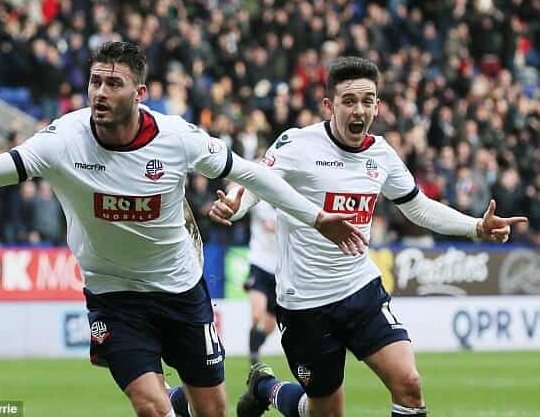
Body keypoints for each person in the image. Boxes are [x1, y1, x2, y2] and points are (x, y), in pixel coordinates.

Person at [0, 41, 369, 417]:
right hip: (113, 294)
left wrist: (316, 216)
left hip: (179, 287)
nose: (99, 92)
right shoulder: (61, 141)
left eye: (113, 84)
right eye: (95, 81)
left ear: (140, 93)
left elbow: (251, 173)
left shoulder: (177, 138)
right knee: (152, 408)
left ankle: (240, 392)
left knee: (209, 410)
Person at [208, 56, 528, 417]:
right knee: (324, 412)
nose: (358, 110)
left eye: (367, 100)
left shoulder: (382, 155)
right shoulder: (298, 145)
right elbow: (257, 181)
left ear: (377, 105)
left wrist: (476, 227)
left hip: (361, 290)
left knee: (409, 384)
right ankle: (267, 389)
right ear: (329, 105)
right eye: (348, 101)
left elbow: (418, 207)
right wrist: (236, 205)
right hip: (306, 303)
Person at [244, 198, 278, 365]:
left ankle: (255, 349)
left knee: (270, 326)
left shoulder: (290, 204)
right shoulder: (261, 202)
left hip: (279, 270)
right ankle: (253, 356)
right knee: (257, 315)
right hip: (259, 263)